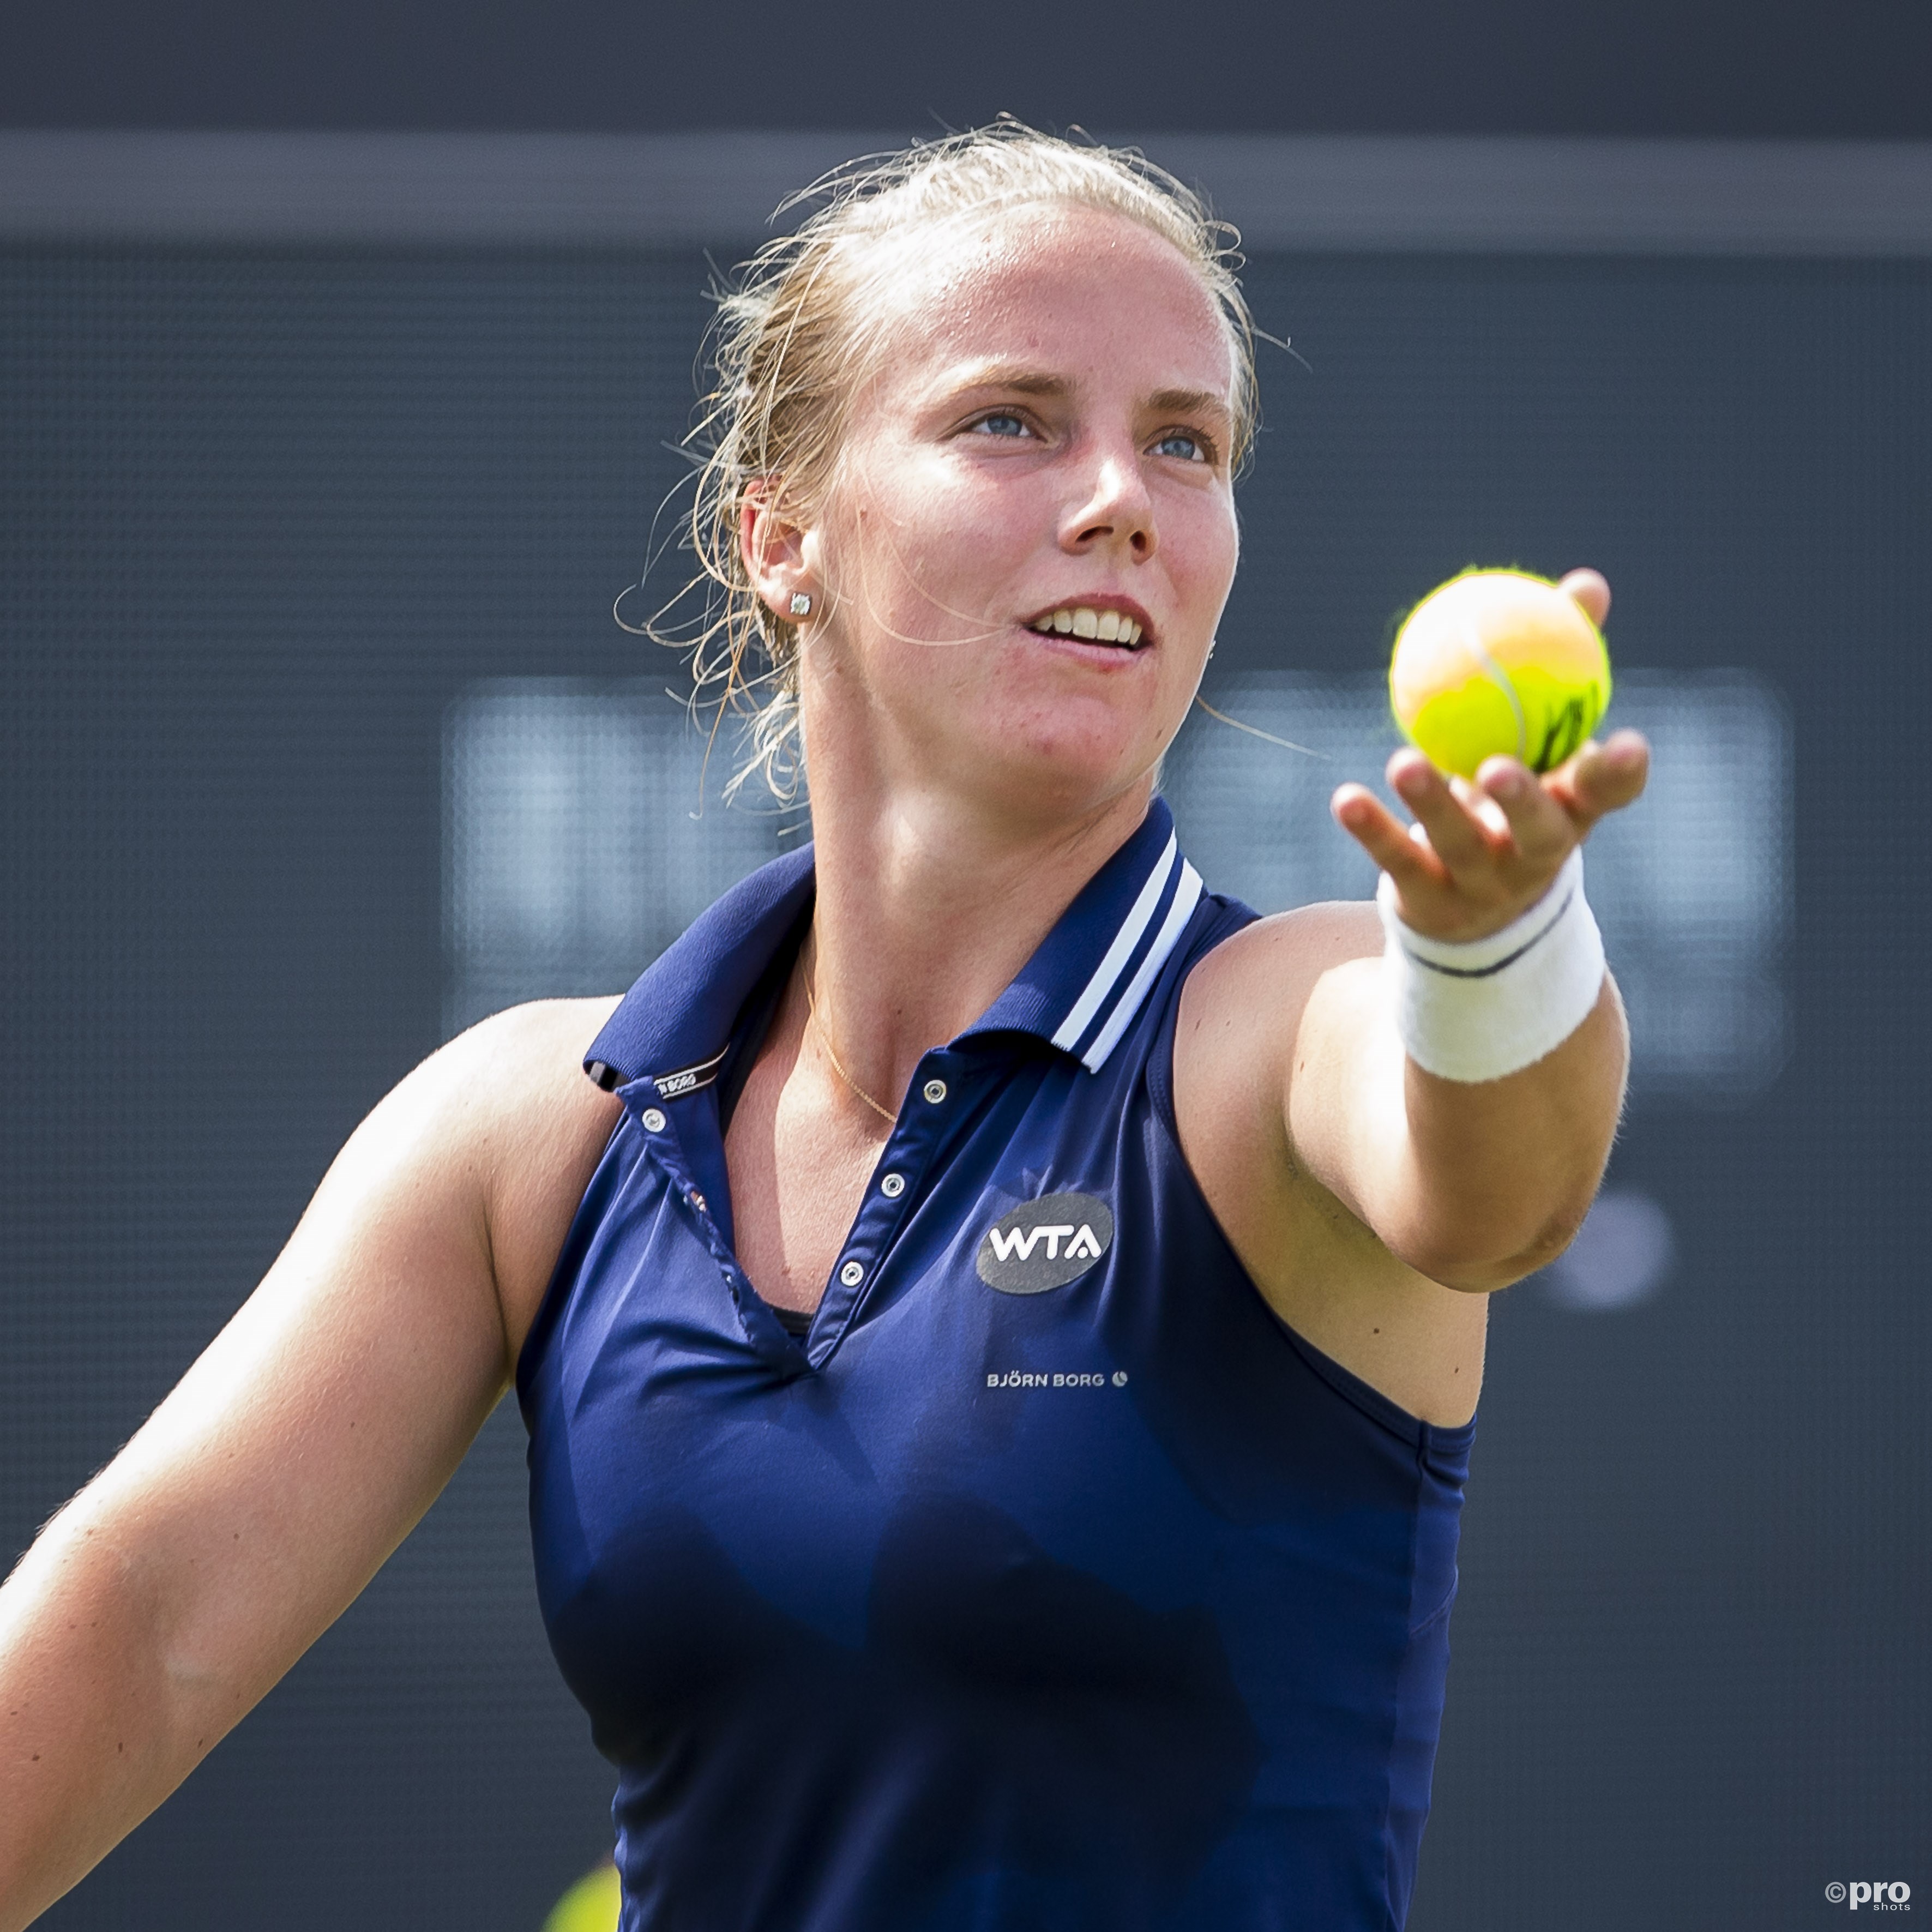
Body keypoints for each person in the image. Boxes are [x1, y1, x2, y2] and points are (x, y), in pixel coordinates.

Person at [0, 126, 1648, 1931]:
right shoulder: (534, 1138)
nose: (1123, 496)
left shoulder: (1271, 1034)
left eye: (1188, 442)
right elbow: (142, 1624)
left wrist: (1495, 951)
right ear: (782, 536)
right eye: (1012, 418)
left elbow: (1498, 1197)